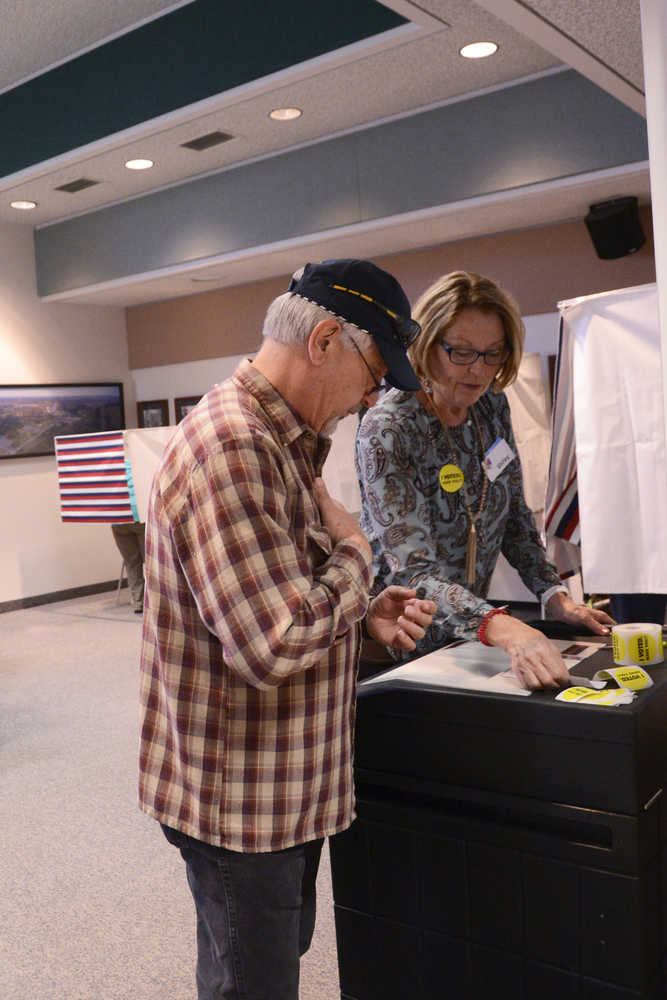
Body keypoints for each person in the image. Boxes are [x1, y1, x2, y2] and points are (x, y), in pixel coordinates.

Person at [138, 258, 436, 1000]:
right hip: (241, 803)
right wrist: (357, 558)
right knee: (253, 984)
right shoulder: (234, 446)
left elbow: (280, 596)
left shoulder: (282, 441)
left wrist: (357, 616)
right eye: (374, 373)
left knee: (259, 966)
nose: (372, 396)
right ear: (326, 339)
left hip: (276, 787)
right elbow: (271, 642)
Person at [355, 270, 613, 691]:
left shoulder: (489, 406)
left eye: (493, 354)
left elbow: (511, 515)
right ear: (425, 342)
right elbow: (414, 573)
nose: (479, 370)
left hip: (471, 639)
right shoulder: (389, 427)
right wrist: (507, 628)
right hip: (402, 647)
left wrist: (553, 596)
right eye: (462, 352)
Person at [110, 520, 145, 612]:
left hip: (118, 521)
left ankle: (138, 602)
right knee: (151, 560)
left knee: (132, 563)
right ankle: (157, 600)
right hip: (141, 520)